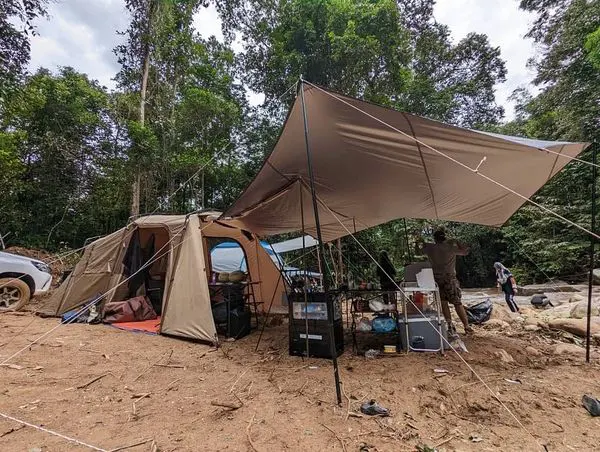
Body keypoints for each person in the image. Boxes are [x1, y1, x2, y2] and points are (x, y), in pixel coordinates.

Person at [417, 228, 473, 334]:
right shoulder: (450, 248)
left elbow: (419, 250)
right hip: (449, 278)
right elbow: (465, 251)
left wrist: (421, 242)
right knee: (457, 302)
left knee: (443, 303)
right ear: (445, 238)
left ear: (435, 239)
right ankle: (466, 326)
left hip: (436, 278)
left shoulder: (430, 248)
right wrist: (456, 241)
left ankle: (450, 326)